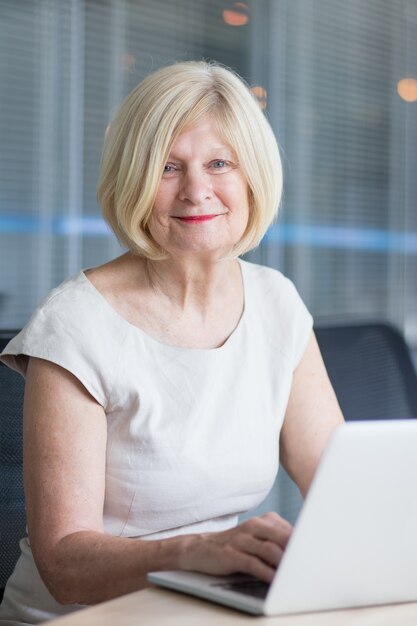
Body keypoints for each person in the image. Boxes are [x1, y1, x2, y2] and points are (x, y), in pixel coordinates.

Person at [0, 60, 344, 624]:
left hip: (211, 607)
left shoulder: (276, 303)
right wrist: (196, 553)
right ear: (134, 180)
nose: (196, 191)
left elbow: (343, 485)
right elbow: (63, 564)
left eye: (219, 163)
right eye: (167, 168)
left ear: (252, 175)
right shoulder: (75, 323)